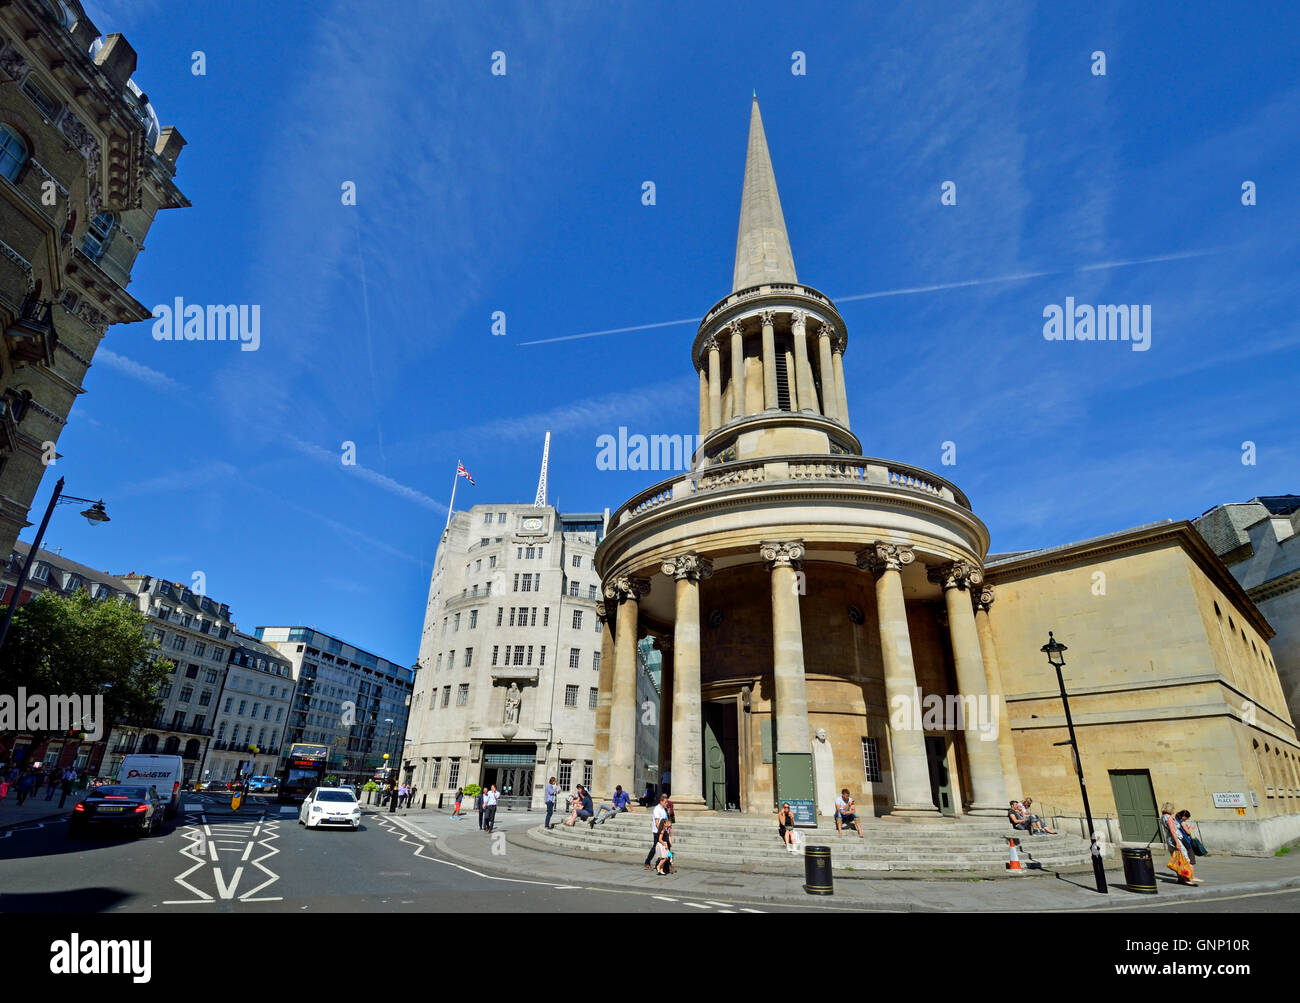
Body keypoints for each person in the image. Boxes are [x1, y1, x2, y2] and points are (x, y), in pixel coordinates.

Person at [1162, 802, 1201, 885]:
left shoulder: (1163, 817)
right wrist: (1177, 843)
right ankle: (1187, 879)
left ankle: (1180, 879)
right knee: (1185, 859)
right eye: (1173, 808)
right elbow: (1173, 831)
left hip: (1169, 840)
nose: (1174, 810)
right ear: (1169, 809)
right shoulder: (1169, 818)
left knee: (1178, 860)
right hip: (1175, 840)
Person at [644, 793, 670, 870]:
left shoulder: (663, 809)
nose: (666, 803)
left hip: (663, 831)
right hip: (657, 832)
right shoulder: (657, 809)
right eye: (665, 802)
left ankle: (666, 865)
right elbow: (657, 823)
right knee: (655, 848)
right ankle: (647, 862)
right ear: (661, 802)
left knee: (667, 846)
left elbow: (665, 820)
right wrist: (661, 831)